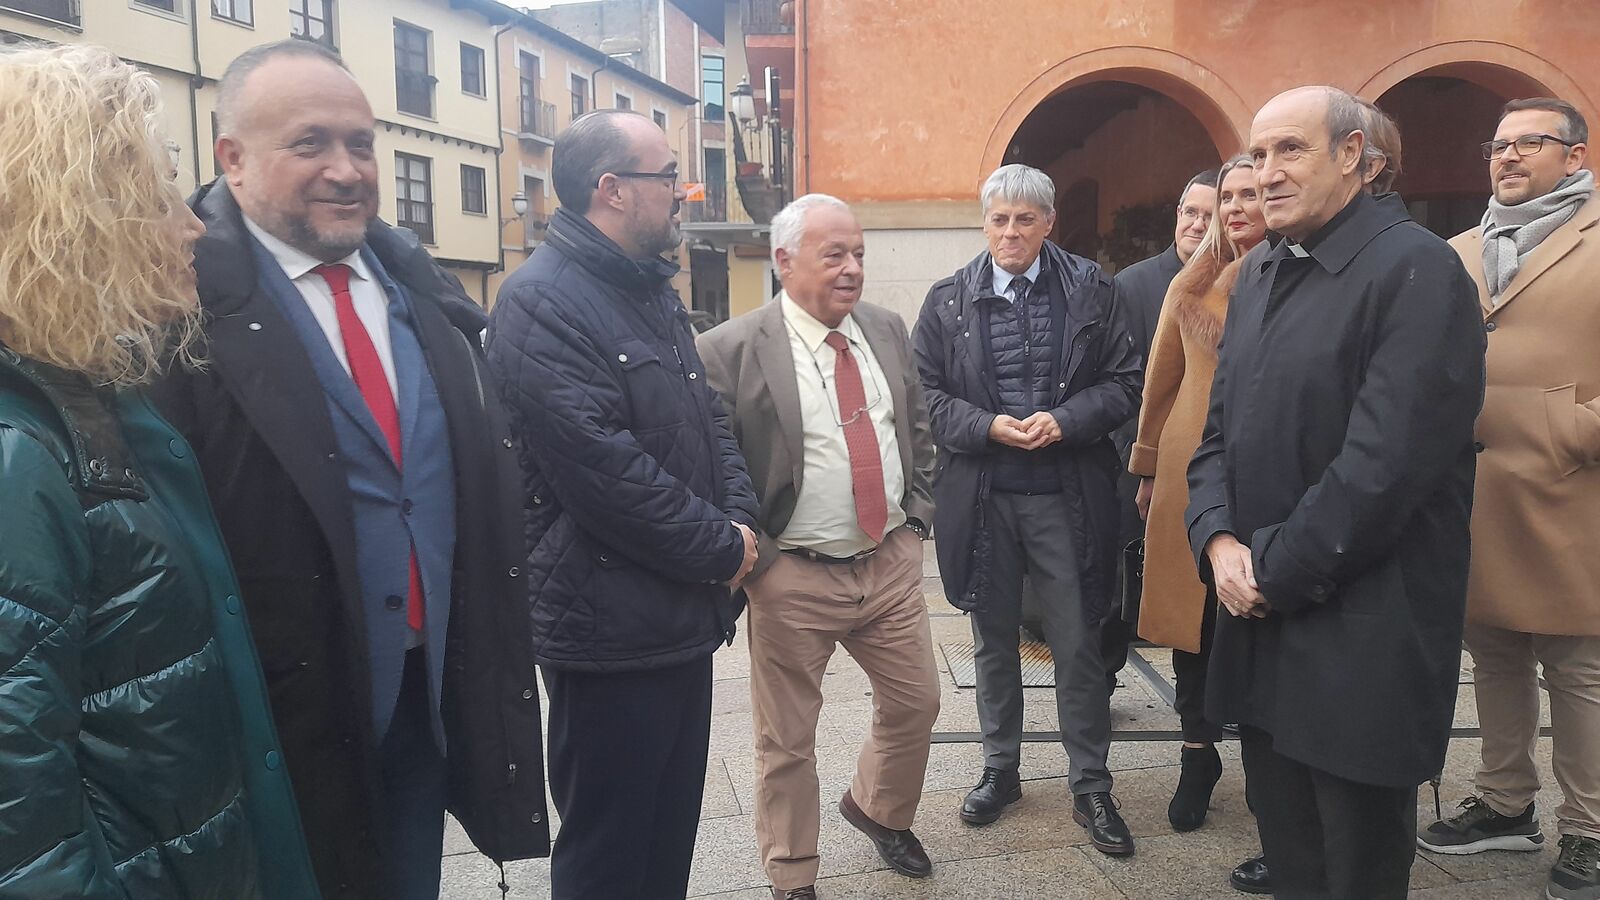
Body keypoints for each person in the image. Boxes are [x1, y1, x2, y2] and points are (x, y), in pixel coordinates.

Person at [149, 40, 549, 899]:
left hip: (421, 697)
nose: (347, 169)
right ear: (234, 159)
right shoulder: (175, 314)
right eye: (311, 143)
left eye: (361, 144)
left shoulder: (422, 292)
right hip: (279, 721)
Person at [0, 43, 315, 898]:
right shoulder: (21, 450)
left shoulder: (86, 402)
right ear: (68, 219)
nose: (193, 226)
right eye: (158, 198)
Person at [1187, 85, 1485, 898]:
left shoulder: (1417, 268)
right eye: (1256, 154)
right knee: (1290, 857)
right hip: (1261, 620)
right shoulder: (1259, 275)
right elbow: (1216, 435)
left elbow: (1384, 468)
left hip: (1361, 635)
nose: (1267, 172)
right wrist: (1216, 540)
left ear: (1354, 156)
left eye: (1291, 149)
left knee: (1354, 868)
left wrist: (1267, 571)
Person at [486, 109, 760, 899]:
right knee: (608, 854)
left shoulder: (648, 289)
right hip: (606, 631)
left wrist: (738, 524)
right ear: (612, 189)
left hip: (676, 617)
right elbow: (604, 472)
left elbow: (710, 419)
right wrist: (722, 549)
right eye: (668, 175)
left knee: (666, 840)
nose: (683, 192)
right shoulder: (542, 301)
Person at [698, 194, 941, 900]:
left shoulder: (888, 330)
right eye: (833, 254)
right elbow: (717, 464)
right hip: (792, 577)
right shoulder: (730, 350)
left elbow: (917, 430)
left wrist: (917, 520)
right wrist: (759, 565)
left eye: (859, 253)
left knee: (917, 704)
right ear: (783, 261)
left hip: (888, 562)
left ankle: (878, 809)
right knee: (787, 741)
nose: (852, 268)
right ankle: (792, 874)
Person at [914, 164, 1142, 853]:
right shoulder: (948, 299)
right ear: (984, 223)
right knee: (992, 643)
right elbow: (924, 394)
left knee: (1076, 642)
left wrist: (1066, 419)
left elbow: (1124, 380)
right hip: (984, 498)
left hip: (1066, 497)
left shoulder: (1093, 292)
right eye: (998, 219)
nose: (1009, 232)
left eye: (1024, 219)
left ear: (1049, 223)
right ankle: (1000, 770)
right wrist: (986, 426)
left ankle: (1092, 785)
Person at [1416, 96, 1600, 900]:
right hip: (1475, 488)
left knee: (1577, 667)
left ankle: (1591, 828)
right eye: (1499, 144)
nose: (1510, 156)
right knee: (1491, 655)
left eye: (1532, 142)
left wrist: (1578, 428)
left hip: (1571, 488)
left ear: (1576, 156)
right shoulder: (1458, 249)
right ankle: (1503, 802)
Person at [1131, 154, 1266, 830]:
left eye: (1248, 196)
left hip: (1267, 472)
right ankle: (1196, 755)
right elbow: (1163, 377)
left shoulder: (1290, 272)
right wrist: (1150, 466)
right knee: (1194, 625)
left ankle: (1273, 766)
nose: (1233, 210)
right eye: (1224, 200)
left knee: (1259, 616)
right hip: (1189, 469)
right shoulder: (1193, 279)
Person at [1102, 168, 1221, 686]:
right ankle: (1101, 681)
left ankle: (1207, 703)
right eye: (1189, 212)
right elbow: (1123, 380)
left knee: (1194, 586)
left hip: (1206, 462)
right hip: (1140, 461)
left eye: (1209, 214)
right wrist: (1139, 455)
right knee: (1118, 584)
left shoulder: (1242, 279)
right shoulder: (1135, 284)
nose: (1197, 223)